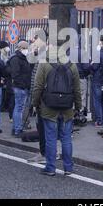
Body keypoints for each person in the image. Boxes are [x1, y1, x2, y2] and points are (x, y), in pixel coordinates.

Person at [31, 41, 82, 176]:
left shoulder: (44, 63)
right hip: (67, 107)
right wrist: (78, 107)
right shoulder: (72, 66)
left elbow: (38, 86)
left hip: (49, 107)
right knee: (66, 138)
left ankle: (51, 168)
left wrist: (35, 103)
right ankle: (68, 168)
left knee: (50, 138)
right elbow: (77, 89)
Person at [8, 40, 32, 137]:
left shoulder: (22, 58)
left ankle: (16, 128)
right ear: (21, 48)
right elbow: (16, 74)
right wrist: (23, 85)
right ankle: (17, 129)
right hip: (20, 87)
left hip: (22, 86)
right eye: (25, 48)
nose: (26, 50)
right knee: (19, 108)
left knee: (18, 108)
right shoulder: (16, 59)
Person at [90, 36, 103, 128]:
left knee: (97, 101)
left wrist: (91, 65)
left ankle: (99, 120)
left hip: (98, 79)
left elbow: (95, 67)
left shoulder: (98, 54)